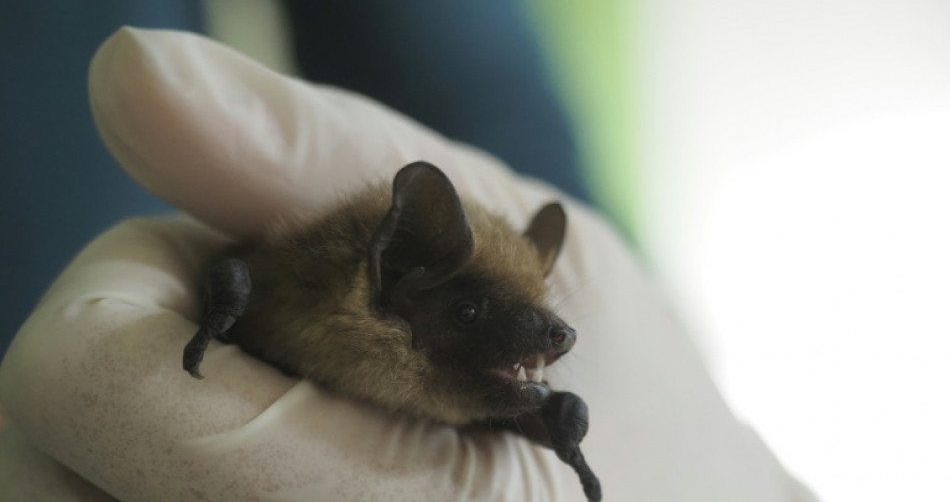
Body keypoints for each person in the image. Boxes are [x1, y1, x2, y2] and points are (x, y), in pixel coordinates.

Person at [0, 28, 816, 501]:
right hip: (438, 191)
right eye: (464, 311)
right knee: (453, 37)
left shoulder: (499, 373)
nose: (553, 338)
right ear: (392, 282)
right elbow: (239, 274)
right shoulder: (311, 299)